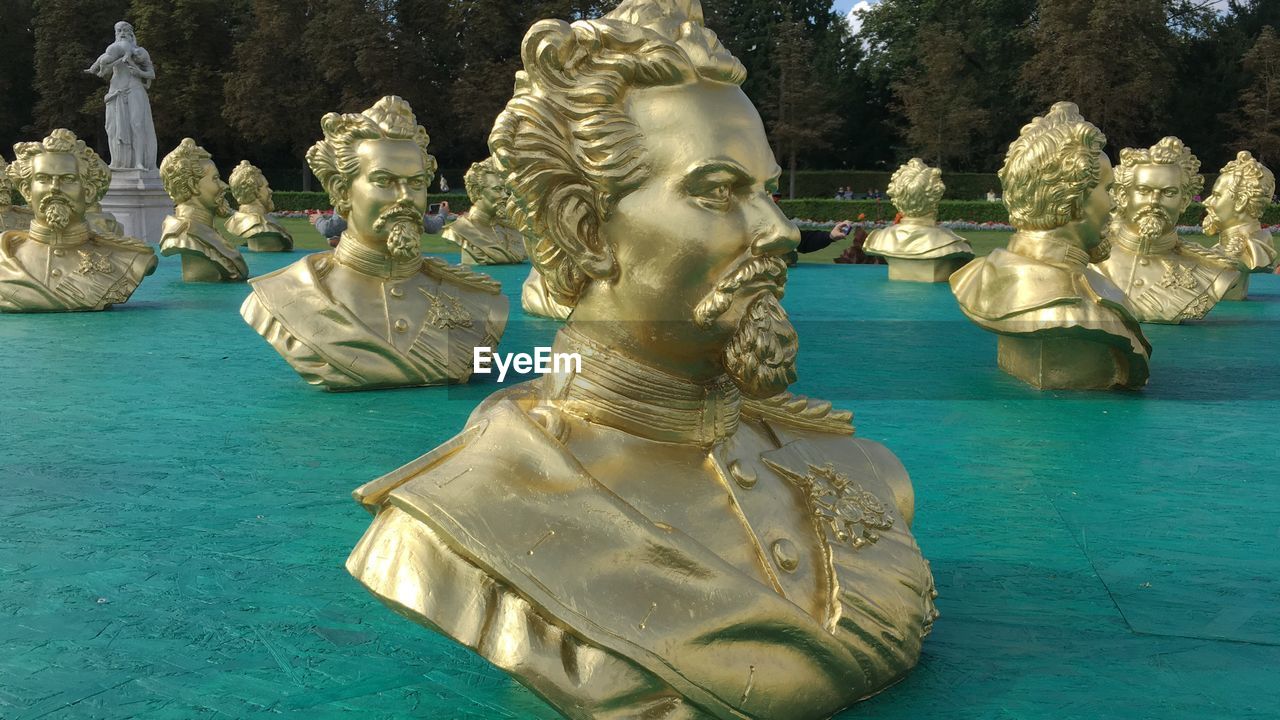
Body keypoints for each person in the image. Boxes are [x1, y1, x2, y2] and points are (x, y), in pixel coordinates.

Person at [345, 4, 937, 718]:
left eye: (766, 192)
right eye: (719, 192)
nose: (779, 232)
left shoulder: (862, 468)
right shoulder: (460, 518)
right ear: (584, 227)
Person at [241, 96, 508, 391]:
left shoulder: (482, 301)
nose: (406, 197)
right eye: (385, 181)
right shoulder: (282, 296)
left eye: (416, 183)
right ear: (342, 191)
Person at [950, 102, 1151, 389]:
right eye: (1108, 190)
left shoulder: (982, 275)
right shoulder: (1069, 308)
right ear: (1073, 197)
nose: (1116, 204)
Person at [0, 128, 156, 312]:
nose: (55, 188)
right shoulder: (4, 254)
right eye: (43, 179)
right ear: (27, 190)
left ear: (88, 191)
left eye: (68, 179)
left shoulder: (129, 259)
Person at [1091, 136, 1239, 323]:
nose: (1154, 202)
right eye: (1143, 190)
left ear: (1184, 200)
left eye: (1168, 193)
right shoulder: (1088, 259)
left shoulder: (1214, 273)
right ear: (1122, 195)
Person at [158, 138, 248, 282]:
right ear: (192, 185)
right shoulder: (184, 234)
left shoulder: (201, 230)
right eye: (215, 179)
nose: (224, 186)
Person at [85, 21, 157, 171]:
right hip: (115, 89)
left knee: (136, 125)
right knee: (112, 127)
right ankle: (117, 162)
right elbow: (103, 71)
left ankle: (138, 162)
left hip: (135, 88)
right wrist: (99, 67)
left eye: (125, 30)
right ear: (116, 34)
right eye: (119, 31)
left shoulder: (139, 51)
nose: (122, 33)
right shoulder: (113, 50)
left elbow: (151, 74)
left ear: (131, 33)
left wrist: (139, 73)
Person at [442, 157, 526, 264]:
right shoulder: (460, 230)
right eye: (497, 189)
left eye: (505, 190)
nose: (505, 196)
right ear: (477, 192)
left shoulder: (511, 227)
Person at [312, 202, 450, 248]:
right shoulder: (405, 200)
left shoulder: (353, 195)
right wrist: (442, 214)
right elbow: (432, 227)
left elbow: (329, 229)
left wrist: (318, 219)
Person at [226, 160, 294, 252]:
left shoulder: (241, 221)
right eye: (266, 187)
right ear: (255, 191)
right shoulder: (260, 228)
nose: (270, 191)